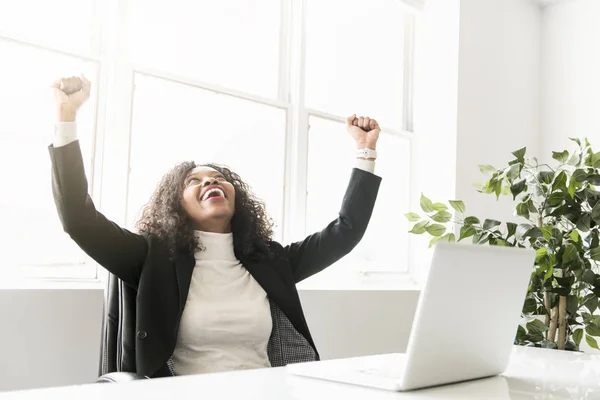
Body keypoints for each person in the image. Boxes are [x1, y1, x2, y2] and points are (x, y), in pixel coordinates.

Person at [49, 75, 382, 378]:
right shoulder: (150, 258)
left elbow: (346, 231)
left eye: (219, 178)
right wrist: (66, 119)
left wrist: (365, 151)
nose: (211, 182)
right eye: (195, 181)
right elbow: (77, 218)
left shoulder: (268, 260)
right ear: (176, 205)